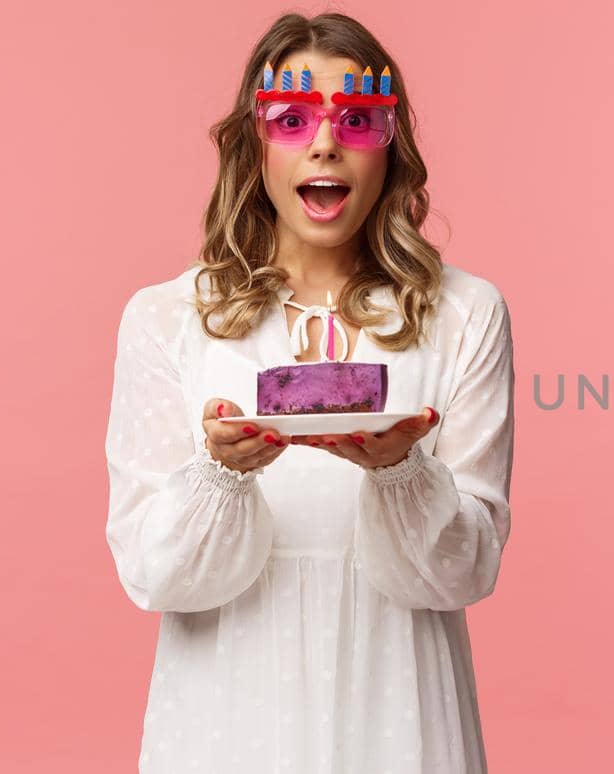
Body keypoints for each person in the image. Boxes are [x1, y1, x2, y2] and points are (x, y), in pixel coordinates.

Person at [103, 12, 513, 773]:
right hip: (227, 709)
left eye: (357, 121)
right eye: (291, 120)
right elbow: (154, 576)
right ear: (254, 145)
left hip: (401, 702)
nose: (324, 142)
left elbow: (464, 573)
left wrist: (401, 471)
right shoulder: (165, 317)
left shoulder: (463, 313)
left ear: (391, 148)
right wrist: (221, 473)